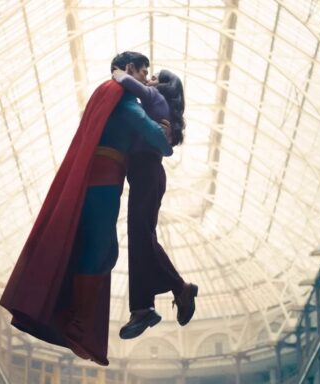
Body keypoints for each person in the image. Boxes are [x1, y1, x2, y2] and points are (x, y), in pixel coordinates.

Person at [0, 52, 172, 366]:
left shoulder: (108, 94)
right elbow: (158, 139)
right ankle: (77, 322)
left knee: (104, 250)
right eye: (144, 72)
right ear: (130, 69)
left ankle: (76, 319)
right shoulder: (122, 97)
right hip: (104, 182)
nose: (147, 79)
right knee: (100, 249)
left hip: (103, 179)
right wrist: (165, 136)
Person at [110, 68, 199, 340]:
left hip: (147, 172)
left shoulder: (154, 98)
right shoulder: (154, 105)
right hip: (145, 174)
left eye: (154, 77)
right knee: (140, 238)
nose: (148, 79)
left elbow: (126, 82)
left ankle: (175, 289)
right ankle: (142, 307)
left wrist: (119, 72)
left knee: (141, 236)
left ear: (163, 87)